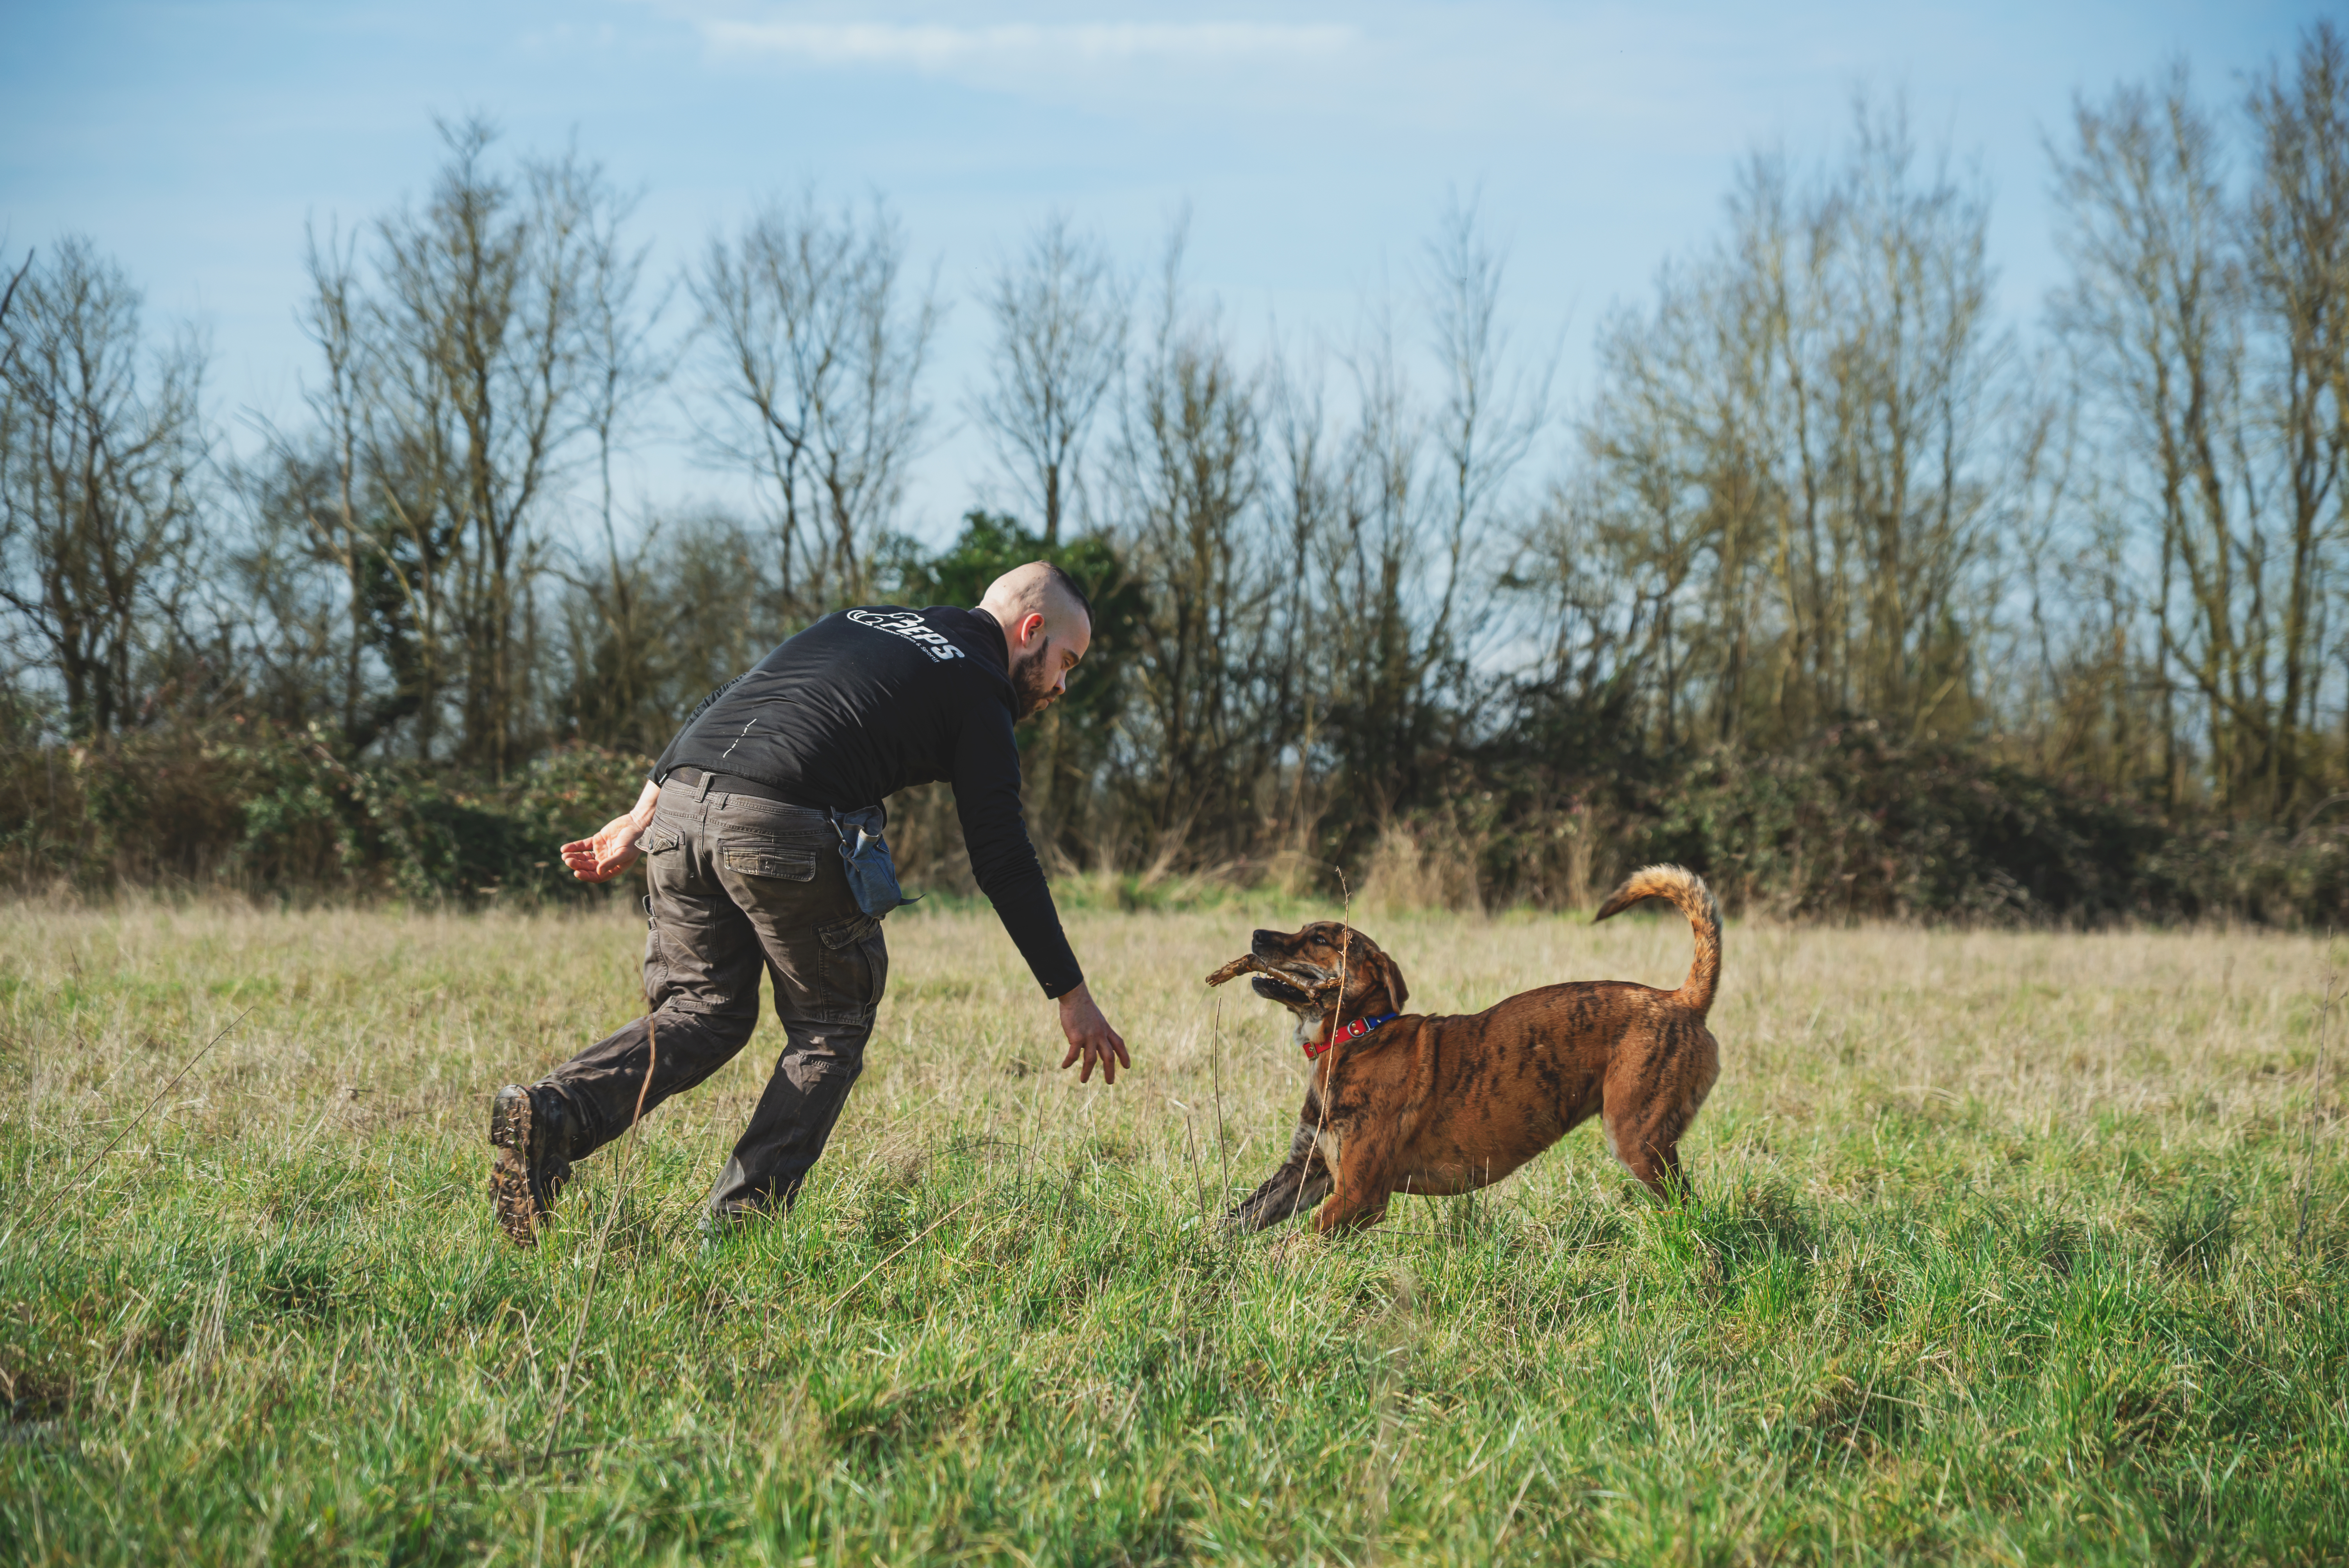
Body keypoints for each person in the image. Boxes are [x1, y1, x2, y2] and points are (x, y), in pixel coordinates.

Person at [487, 561, 1130, 1245]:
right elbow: (1002, 856)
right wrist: (1071, 993)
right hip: (782, 818)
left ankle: (552, 1114)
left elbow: (727, 696)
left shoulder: (858, 621)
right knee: (832, 1024)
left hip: (681, 802)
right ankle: (737, 1234)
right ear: (1031, 630)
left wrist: (641, 815)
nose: (1062, 685)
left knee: (702, 1011)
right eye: (1066, 661)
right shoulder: (979, 686)